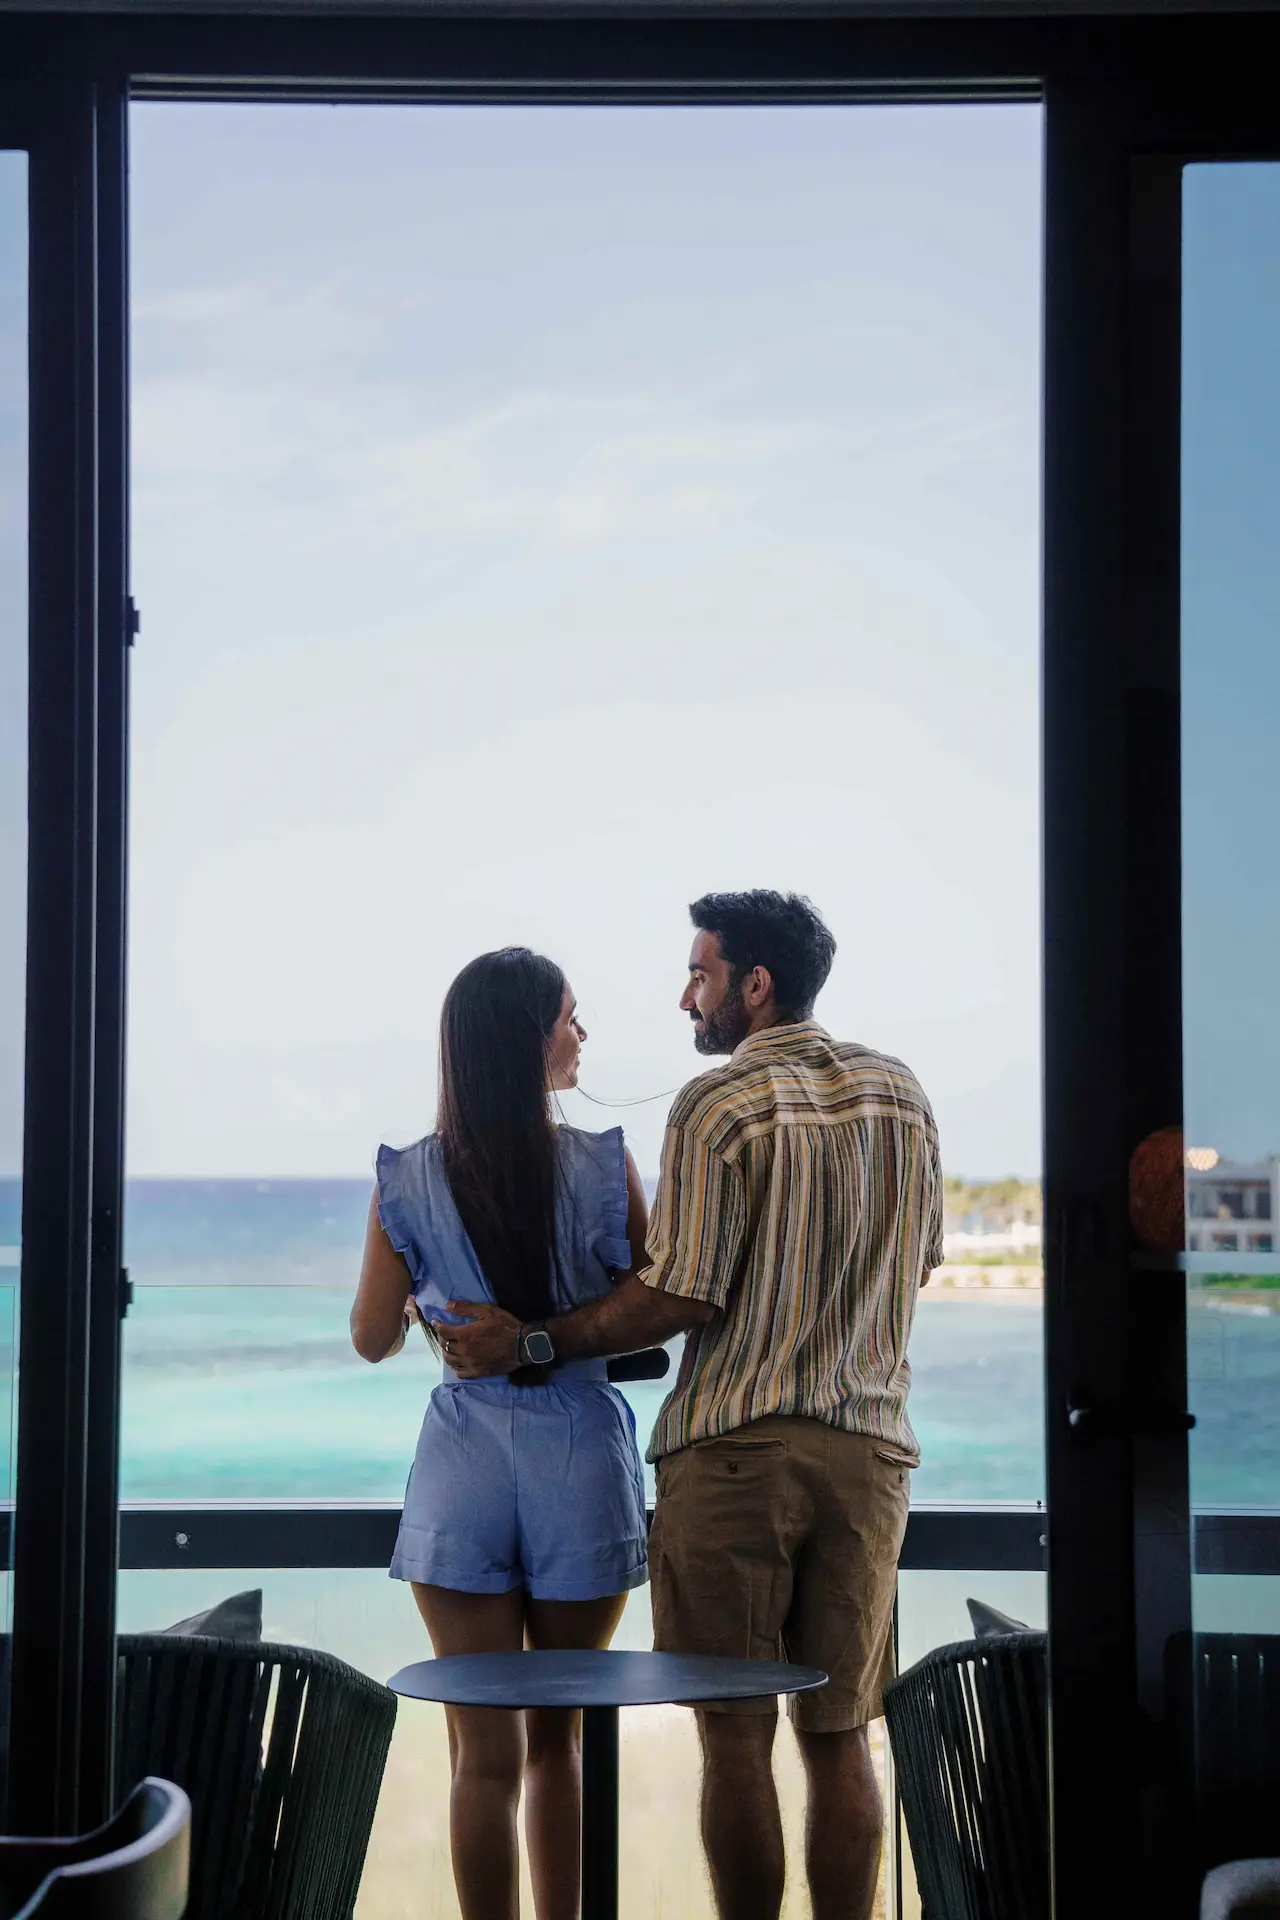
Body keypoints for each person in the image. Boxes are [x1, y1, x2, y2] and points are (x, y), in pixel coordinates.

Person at [444, 891, 944, 1920]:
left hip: (732, 1459)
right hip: (870, 1456)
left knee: (733, 1734)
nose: (686, 996)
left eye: (700, 974)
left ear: (753, 985)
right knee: (842, 1733)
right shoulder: (902, 1094)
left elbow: (676, 1297)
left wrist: (531, 1339)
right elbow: (921, 1260)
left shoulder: (716, 1105)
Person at [350, 947, 650, 1920]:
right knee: (553, 1741)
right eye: (570, 1016)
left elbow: (368, 1337)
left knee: (478, 1753)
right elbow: (648, 1299)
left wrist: (429, 1309)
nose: (582, 1033)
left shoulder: (409, 1175)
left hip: (463, 1460)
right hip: (576, 1456)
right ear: (528, 1039)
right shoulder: (600, 1164)